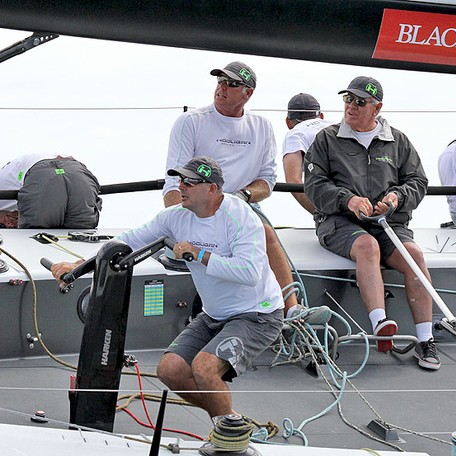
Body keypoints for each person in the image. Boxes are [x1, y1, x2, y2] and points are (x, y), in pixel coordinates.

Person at [52, 157, 284, 453]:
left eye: (189, 182)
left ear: (212, 189)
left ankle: (232, 440)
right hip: (214, 315)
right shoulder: (175, 217)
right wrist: (79, 265)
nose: (180, 186)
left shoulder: (241, 217)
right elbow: (127, 242)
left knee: (204, 368)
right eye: (179, 180)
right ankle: (232, 424)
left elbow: (249, 273)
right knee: (170, 370)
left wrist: (199, 255)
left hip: (258, 314)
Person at [162, 61, 328, 325]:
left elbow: (267, 180)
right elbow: (174, 184)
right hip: (198, 206)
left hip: (241, 206)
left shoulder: (261, 126)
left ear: (247, 93)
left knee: (266, 233)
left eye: (232, 84)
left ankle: (292, 310)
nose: (222, 88)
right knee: (255, 236)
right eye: (220, 82)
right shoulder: (190, 121)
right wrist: (176, 224)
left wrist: (242, 196)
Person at [304, 76, 440, 371]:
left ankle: (426, 340)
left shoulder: (398, 141)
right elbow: (313, 185)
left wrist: (396, 198)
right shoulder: (326, 139)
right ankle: (380, 324)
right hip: (338, 221)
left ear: (376, 108)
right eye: (347, 99)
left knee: (414, 256)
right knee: (366, 246)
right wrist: (347, 200)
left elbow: (417, 181)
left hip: (388, 222)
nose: (351, 106)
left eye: (360, 102)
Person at [0, 153, 101, 228]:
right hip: (77, 172)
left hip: (42, 175)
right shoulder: (10, 173)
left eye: (2, 225)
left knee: (36, 236)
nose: (9, 226)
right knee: (81, 234)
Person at [282, 93, 332, 214]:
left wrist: (321, 214)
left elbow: (293, 181)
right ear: (321, 116)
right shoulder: (337, 126)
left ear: (288, 122)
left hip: (335, 202)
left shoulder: (296, 133)